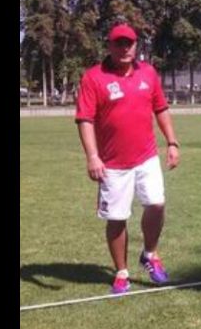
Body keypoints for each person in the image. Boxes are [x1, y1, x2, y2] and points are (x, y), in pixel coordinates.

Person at [75, 23, 180, 294]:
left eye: (129, 43)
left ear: (136, 46)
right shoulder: (94, 77)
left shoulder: (148, 72)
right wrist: (92, 156)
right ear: (109, 46)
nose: (125, 48)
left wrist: (172, 142)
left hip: (146, 157)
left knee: (156, 204)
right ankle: (121, 273)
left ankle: (150, 254)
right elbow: (85, 120)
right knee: (117, 218)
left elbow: (161, 108)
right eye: (119, 43)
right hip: (112, 164)